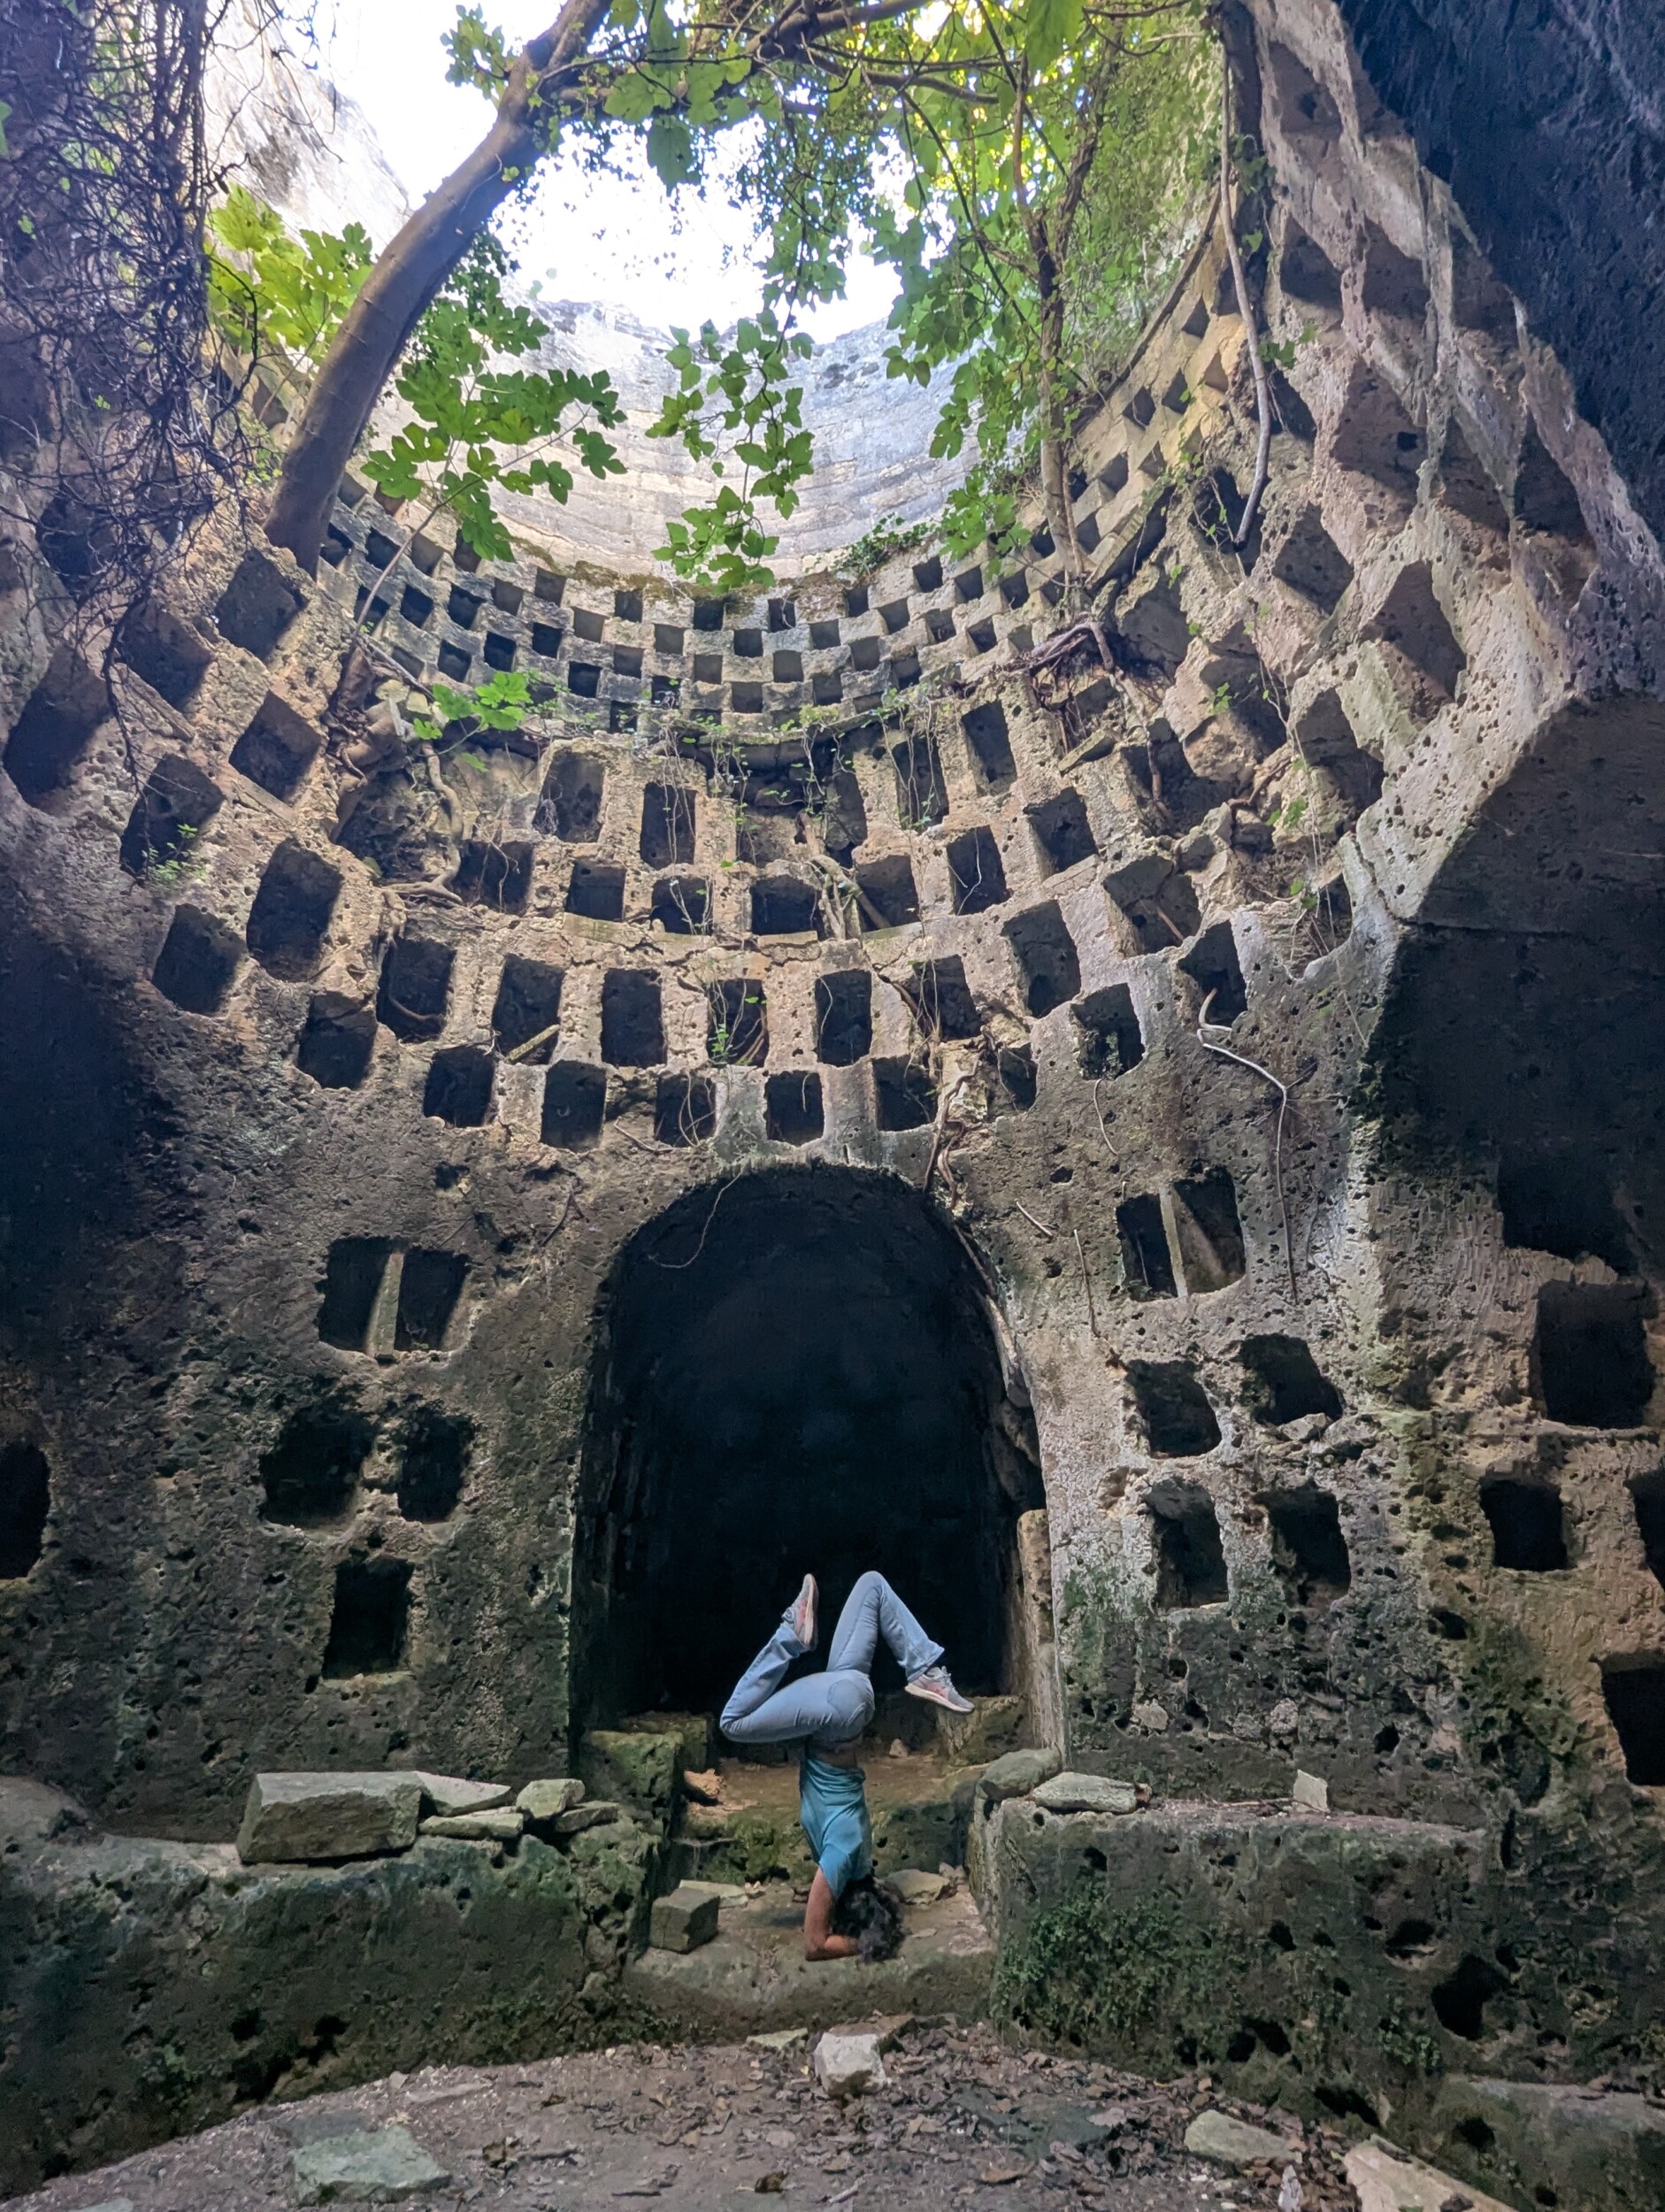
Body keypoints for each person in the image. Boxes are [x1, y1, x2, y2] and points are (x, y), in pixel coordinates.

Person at [720, 1571, 974, 1962]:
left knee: (873, 1584)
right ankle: (792, 1635)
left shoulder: (857, 1852)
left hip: (850, 1699)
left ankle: (926, 1669)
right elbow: (814, 1944)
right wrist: (865, 1944)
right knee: (732, 1722)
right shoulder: (840, 1857)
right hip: (838, 1712)